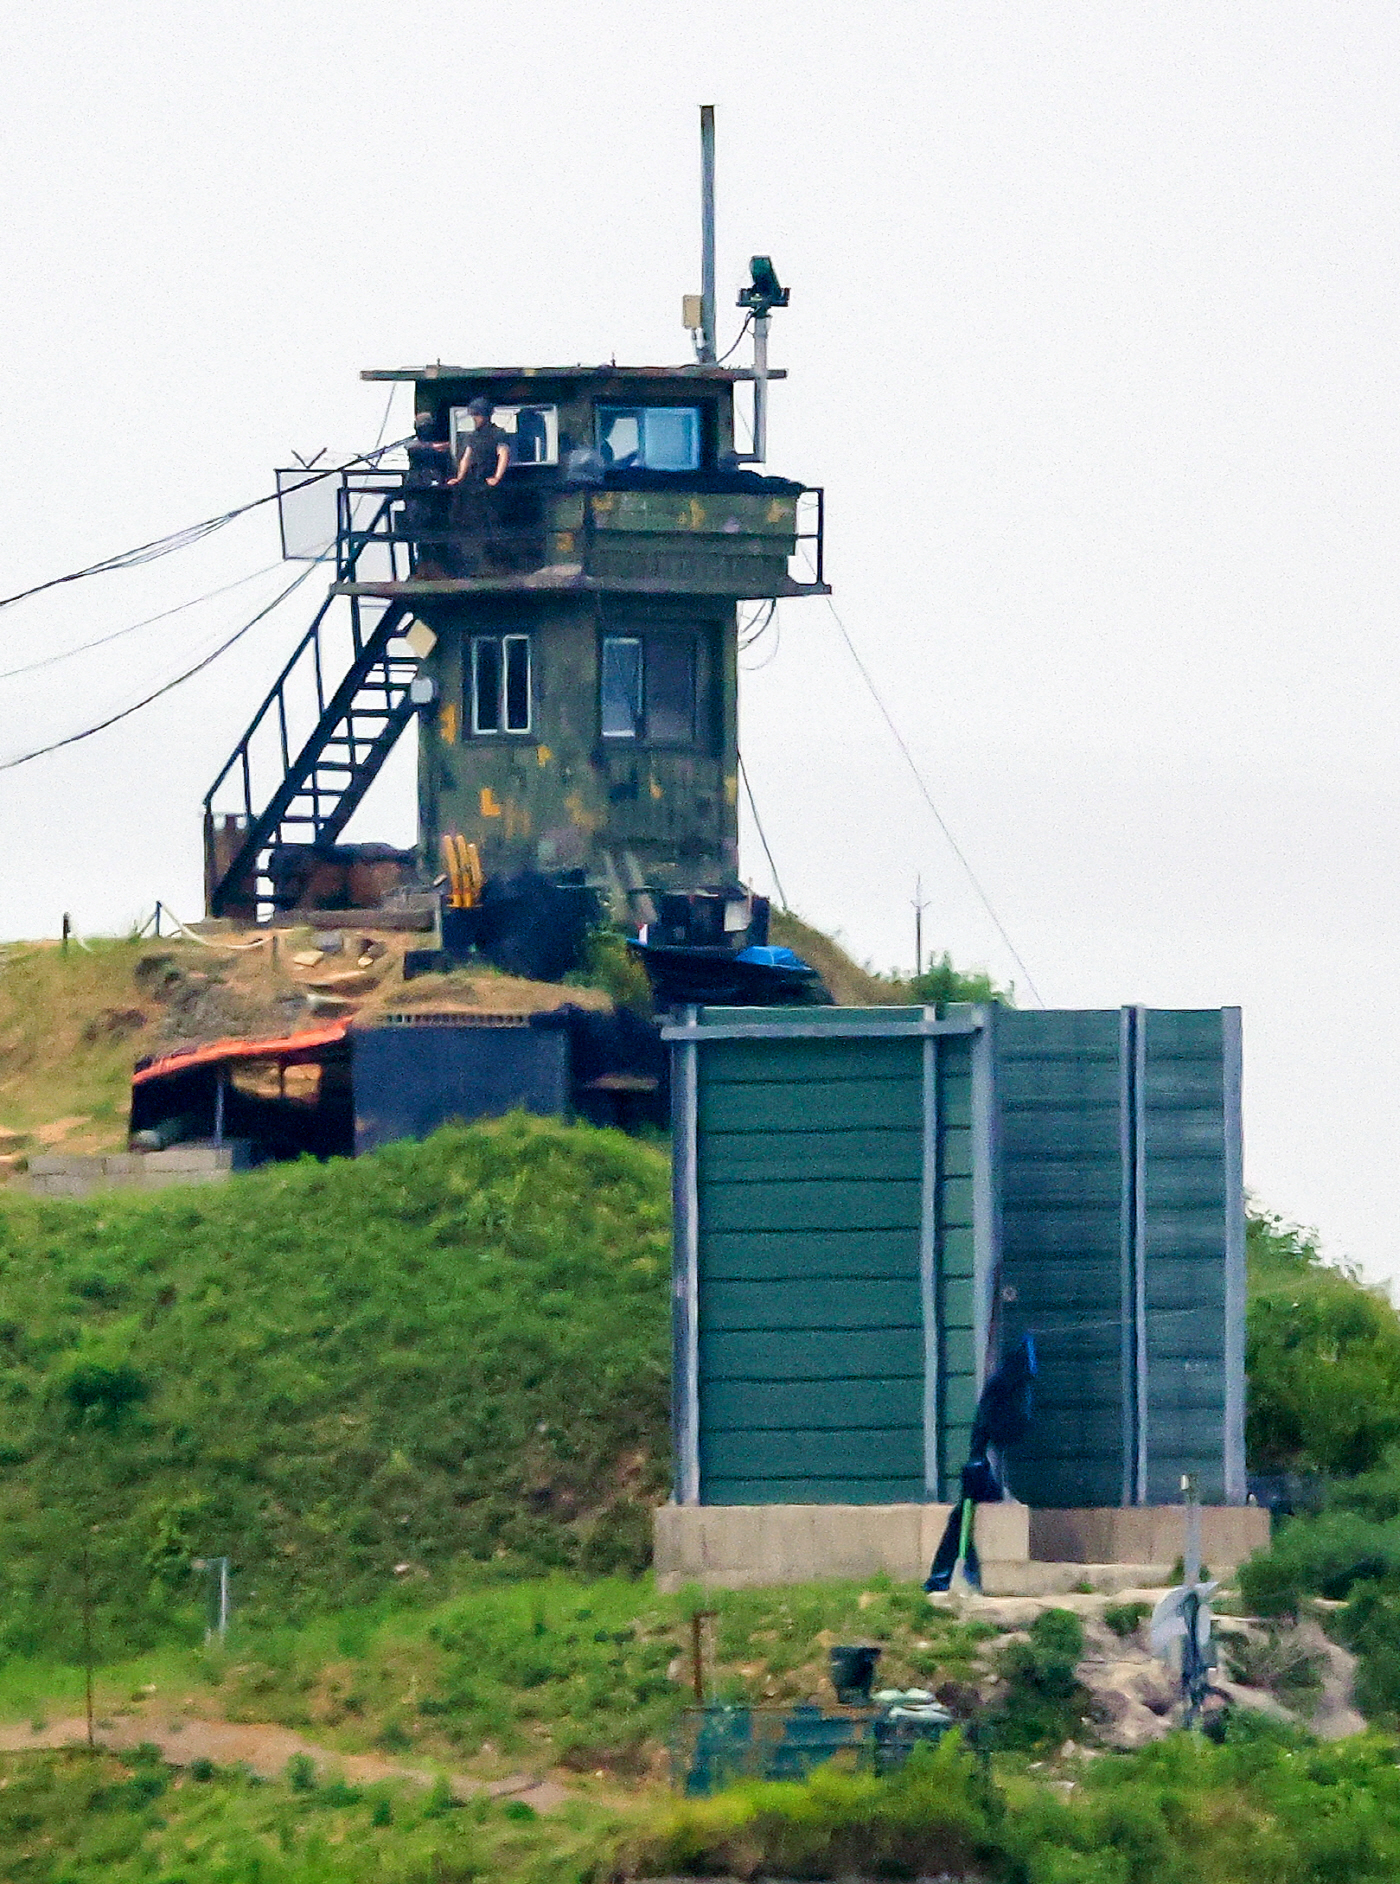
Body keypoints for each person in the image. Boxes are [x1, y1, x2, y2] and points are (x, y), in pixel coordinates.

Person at [445, 396, 510, 573]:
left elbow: (503, 455)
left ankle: (496, 559)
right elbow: (466, 457)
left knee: (493, 520)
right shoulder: (473, 436)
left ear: (485, 415)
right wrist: (459, 477)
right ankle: (476, 557)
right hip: (473, 483)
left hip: (488, 483)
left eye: (477, 415)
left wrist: (497, 477)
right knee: (470, 518)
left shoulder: (498, 434)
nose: (475, 419)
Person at [403, 409, 453, 571]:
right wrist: (433, 447)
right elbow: (413, 447)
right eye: (423, 426)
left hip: (436, 493)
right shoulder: (415, 445)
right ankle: (425, 562)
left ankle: (441, 563)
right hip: (418, 493)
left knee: (438, 525)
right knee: (421, 527)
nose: (426, 429)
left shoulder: (440, 449)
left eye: (428, 426)